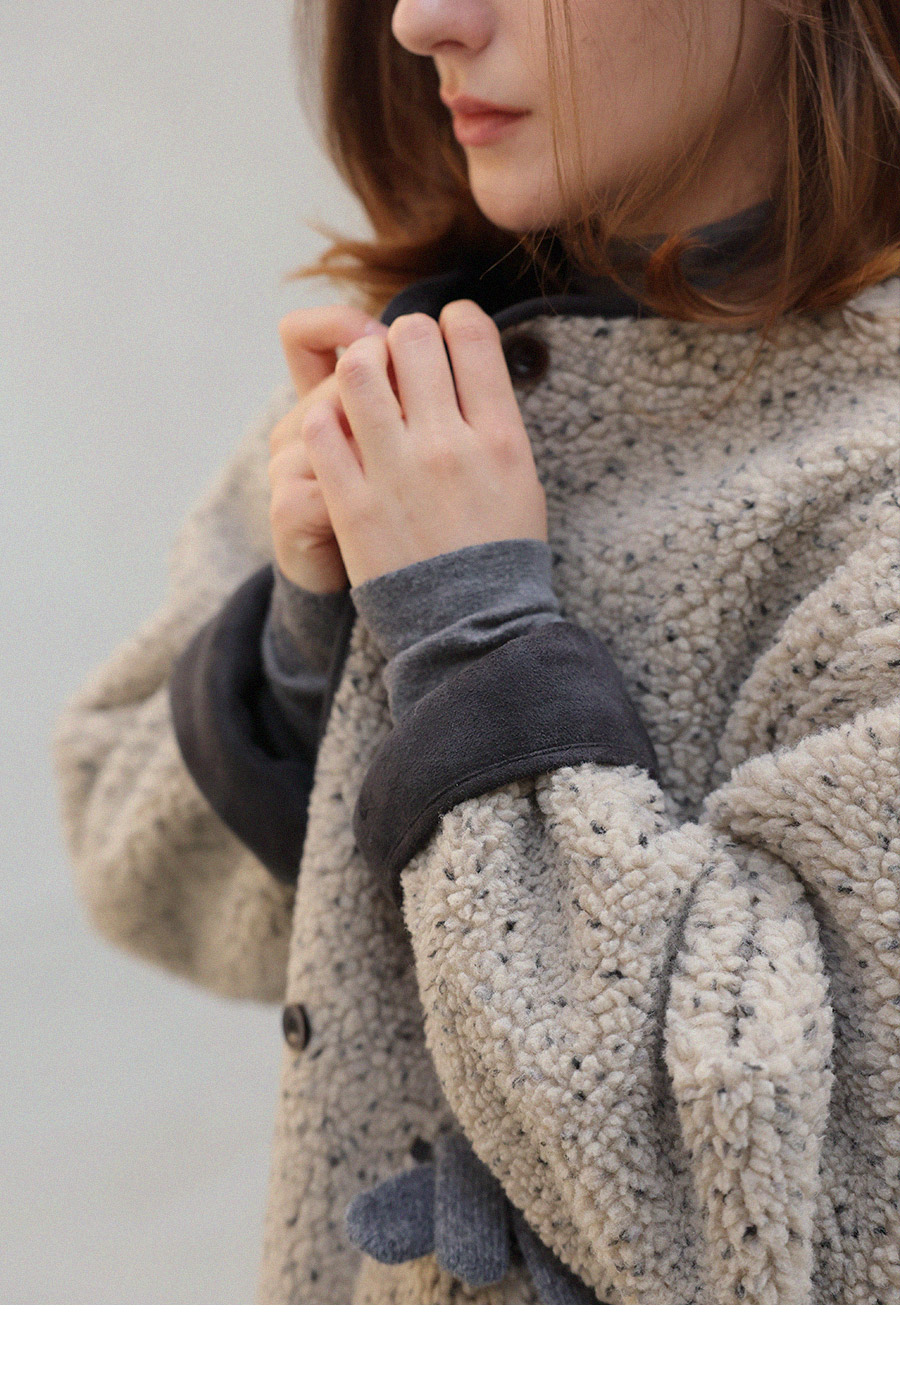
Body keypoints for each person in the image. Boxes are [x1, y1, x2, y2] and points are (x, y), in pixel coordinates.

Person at [52, 0, 899, 1305]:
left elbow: (789, 1213)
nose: (419, 21)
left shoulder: (867, 472)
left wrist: (473, 643)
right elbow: (128, 844)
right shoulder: (441, 363)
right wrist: (309, 631)